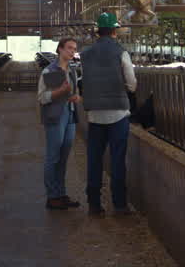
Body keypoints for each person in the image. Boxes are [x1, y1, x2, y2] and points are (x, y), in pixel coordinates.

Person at [79, 11, 136, 216]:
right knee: (117, 160)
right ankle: (119, 204)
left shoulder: (85, 54)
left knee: (94, 160)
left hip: (95, 115)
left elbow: (85, 80)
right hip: (118, 114)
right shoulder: (121, 52)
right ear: (114, 31)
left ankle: (94, 204)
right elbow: (131, 83)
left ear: (97, 31)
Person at [37, 37, 81, 210]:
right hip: (55, 116)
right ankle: (52, 196)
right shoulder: (49, 71)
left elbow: (72, 92)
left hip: (70, 114)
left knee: (63, 158)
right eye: (69, 48)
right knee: (53, 157)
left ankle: (61, 194)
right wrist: (60, 92)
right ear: (60, 49)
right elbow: (42, 97)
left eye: (74, 49)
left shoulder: (72, 70)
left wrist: (75, 97)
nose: (72, 51)